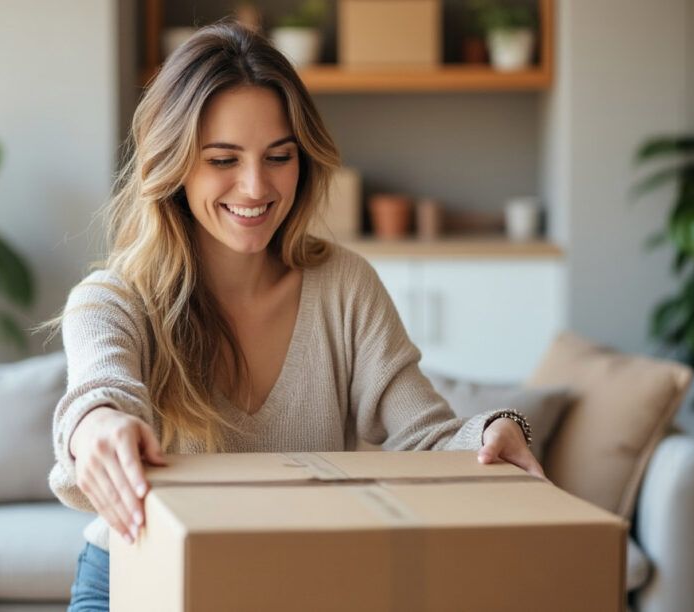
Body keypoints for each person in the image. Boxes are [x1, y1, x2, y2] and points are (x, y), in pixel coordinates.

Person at [47, 20, 544, 612]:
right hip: (137, 574)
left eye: (278, 156)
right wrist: (99, 428)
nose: (256, 187)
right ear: (175, 164)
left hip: (293, 575)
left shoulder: (345, 287)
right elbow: (99, 393)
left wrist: (492, 431)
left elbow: (428, 437)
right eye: (223, 159)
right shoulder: (114, 298)